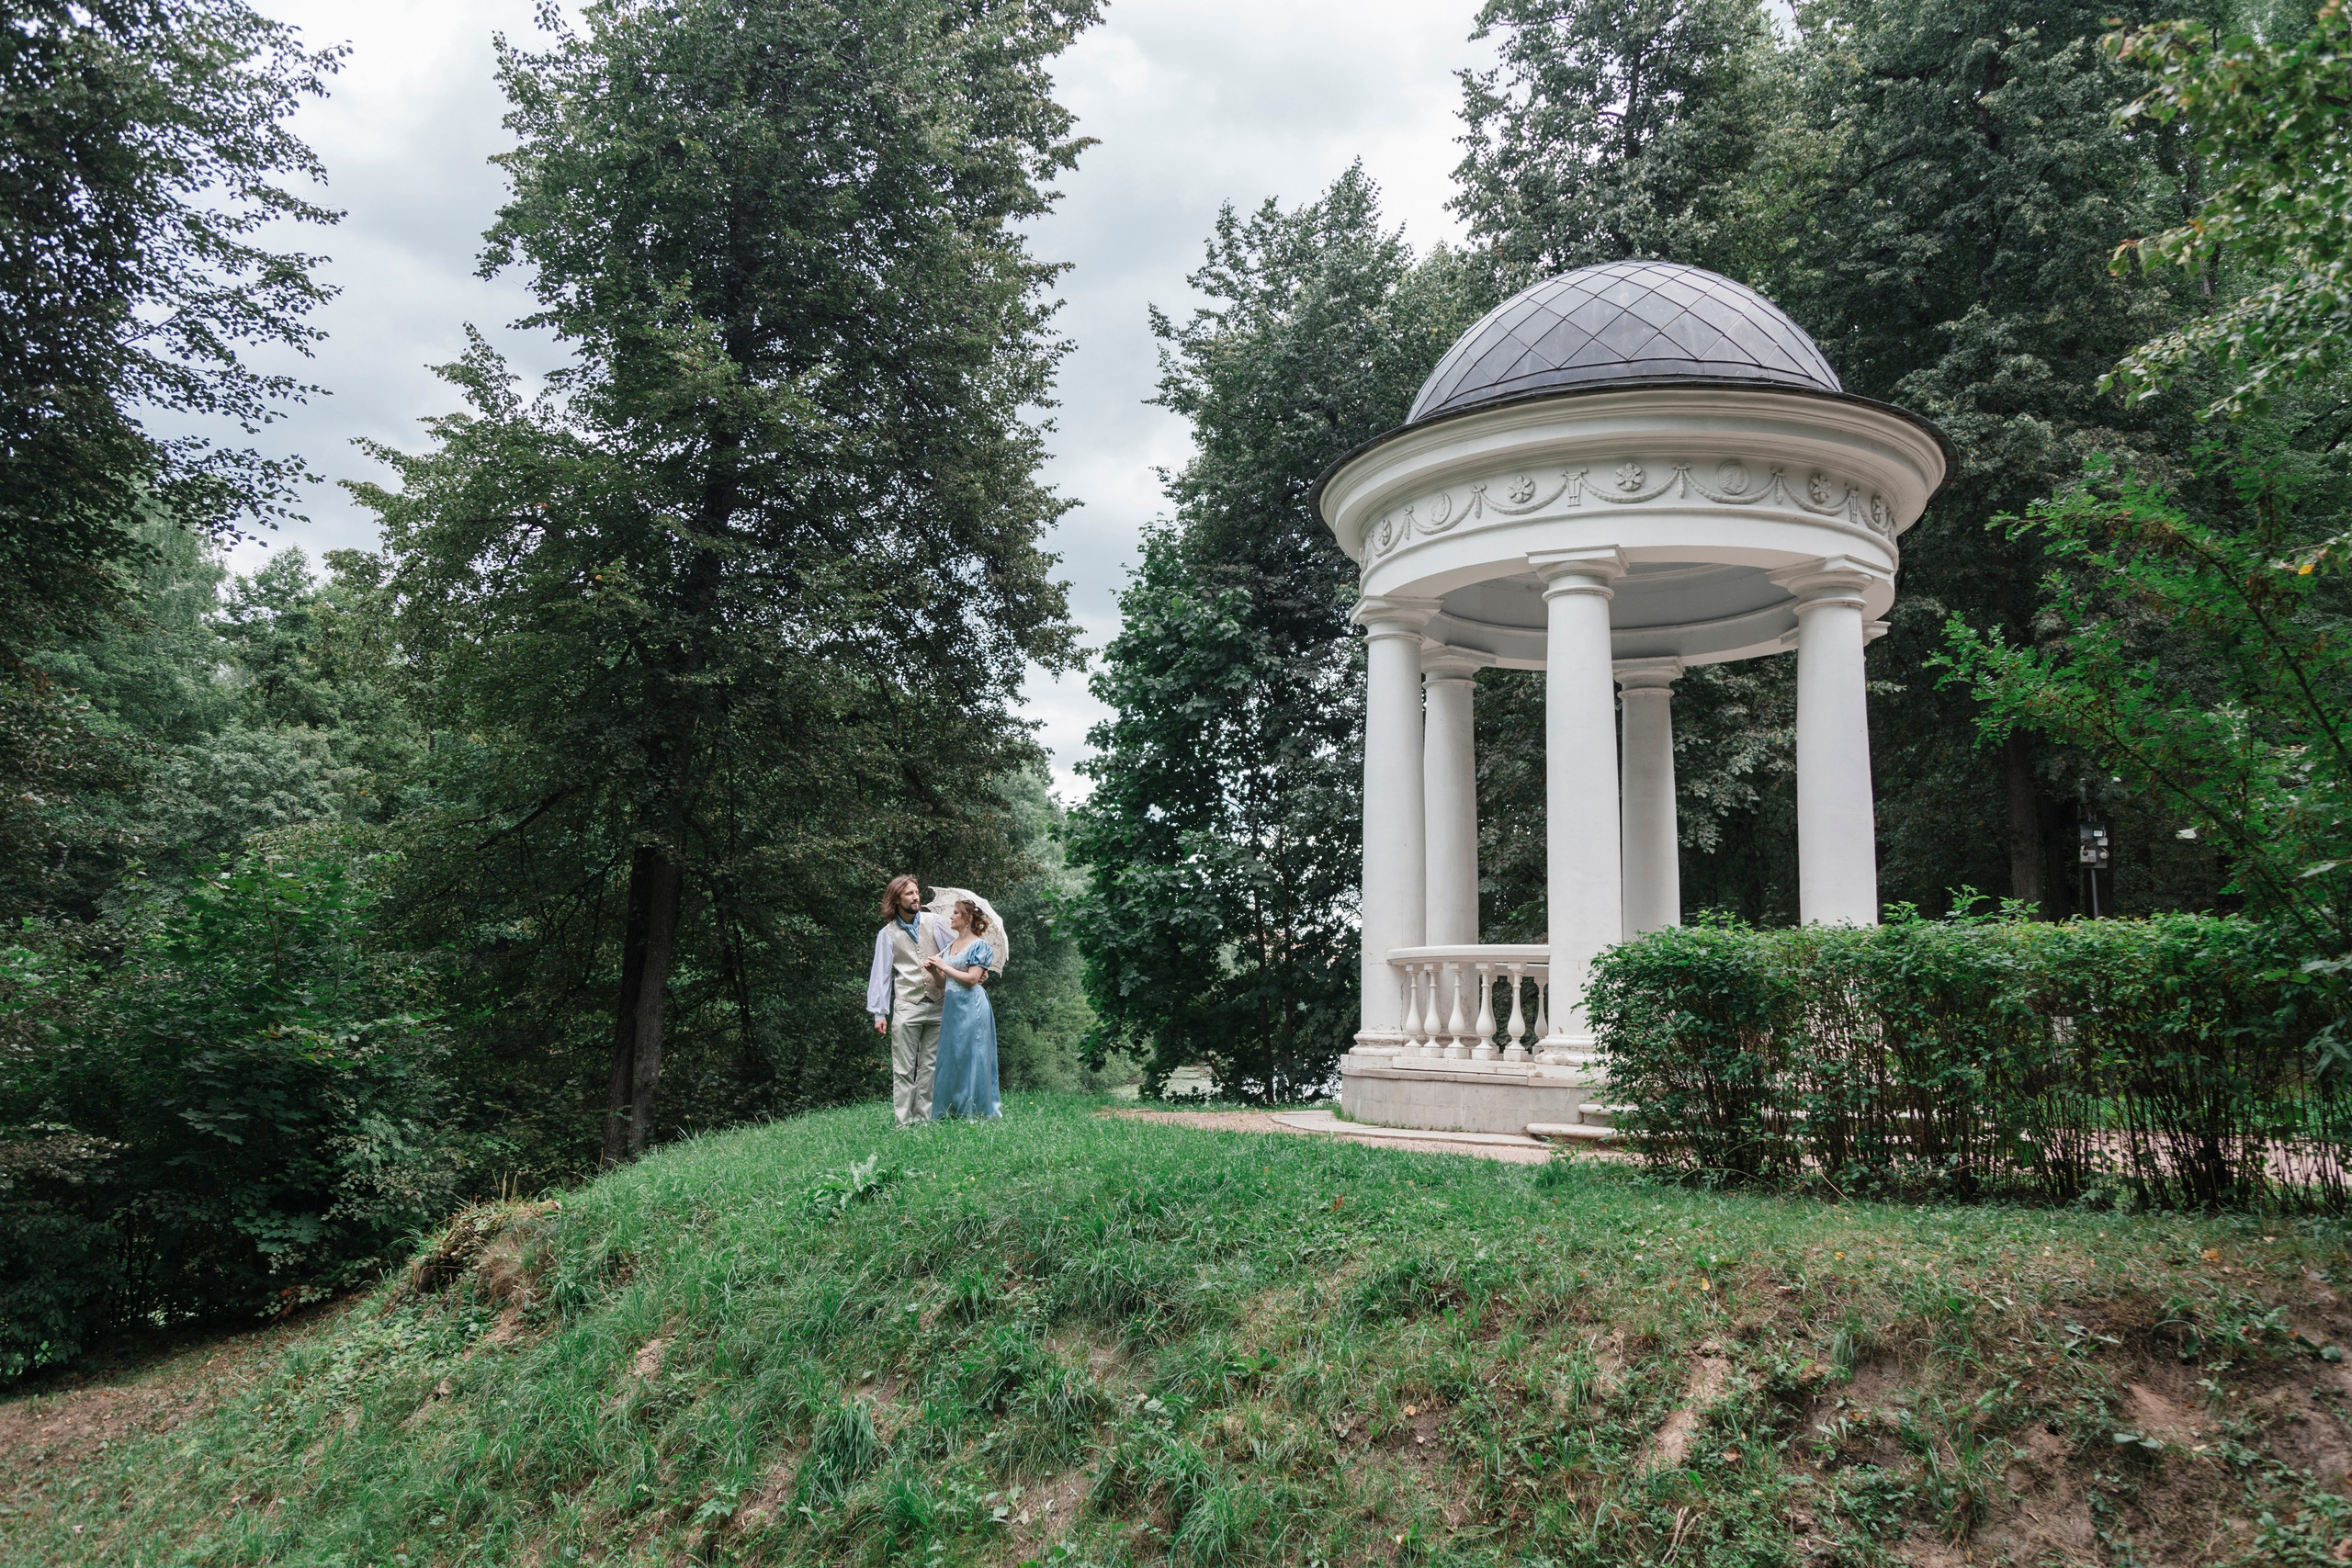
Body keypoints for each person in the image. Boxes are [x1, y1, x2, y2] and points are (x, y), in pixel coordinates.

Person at [865, 874, 947, 1127]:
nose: (916, 897)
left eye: (916, 892)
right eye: (909, 893)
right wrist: (880, 1013)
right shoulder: (887, 934)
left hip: (937, 1003)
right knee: (903, 1068)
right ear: (896, 899)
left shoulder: (935, 922)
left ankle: (924, 1119)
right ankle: (903, 1122)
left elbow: (957, 952)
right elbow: (881, 973)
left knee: (930, 1066)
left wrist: (976, 969)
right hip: (907, 1005)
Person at [924, 897, 1001, 1121]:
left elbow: (971, 979)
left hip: (972, 1006)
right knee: (952, 1056)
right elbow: (945, 984)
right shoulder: (950, 946)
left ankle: (974, 1109)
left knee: (971, 1055)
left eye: (956, 913)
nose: (951, 916)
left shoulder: (980, 946)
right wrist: (933, 971)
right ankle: (951, 1109)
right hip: (952, 1006)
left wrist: (944, 966)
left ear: (968, 919)